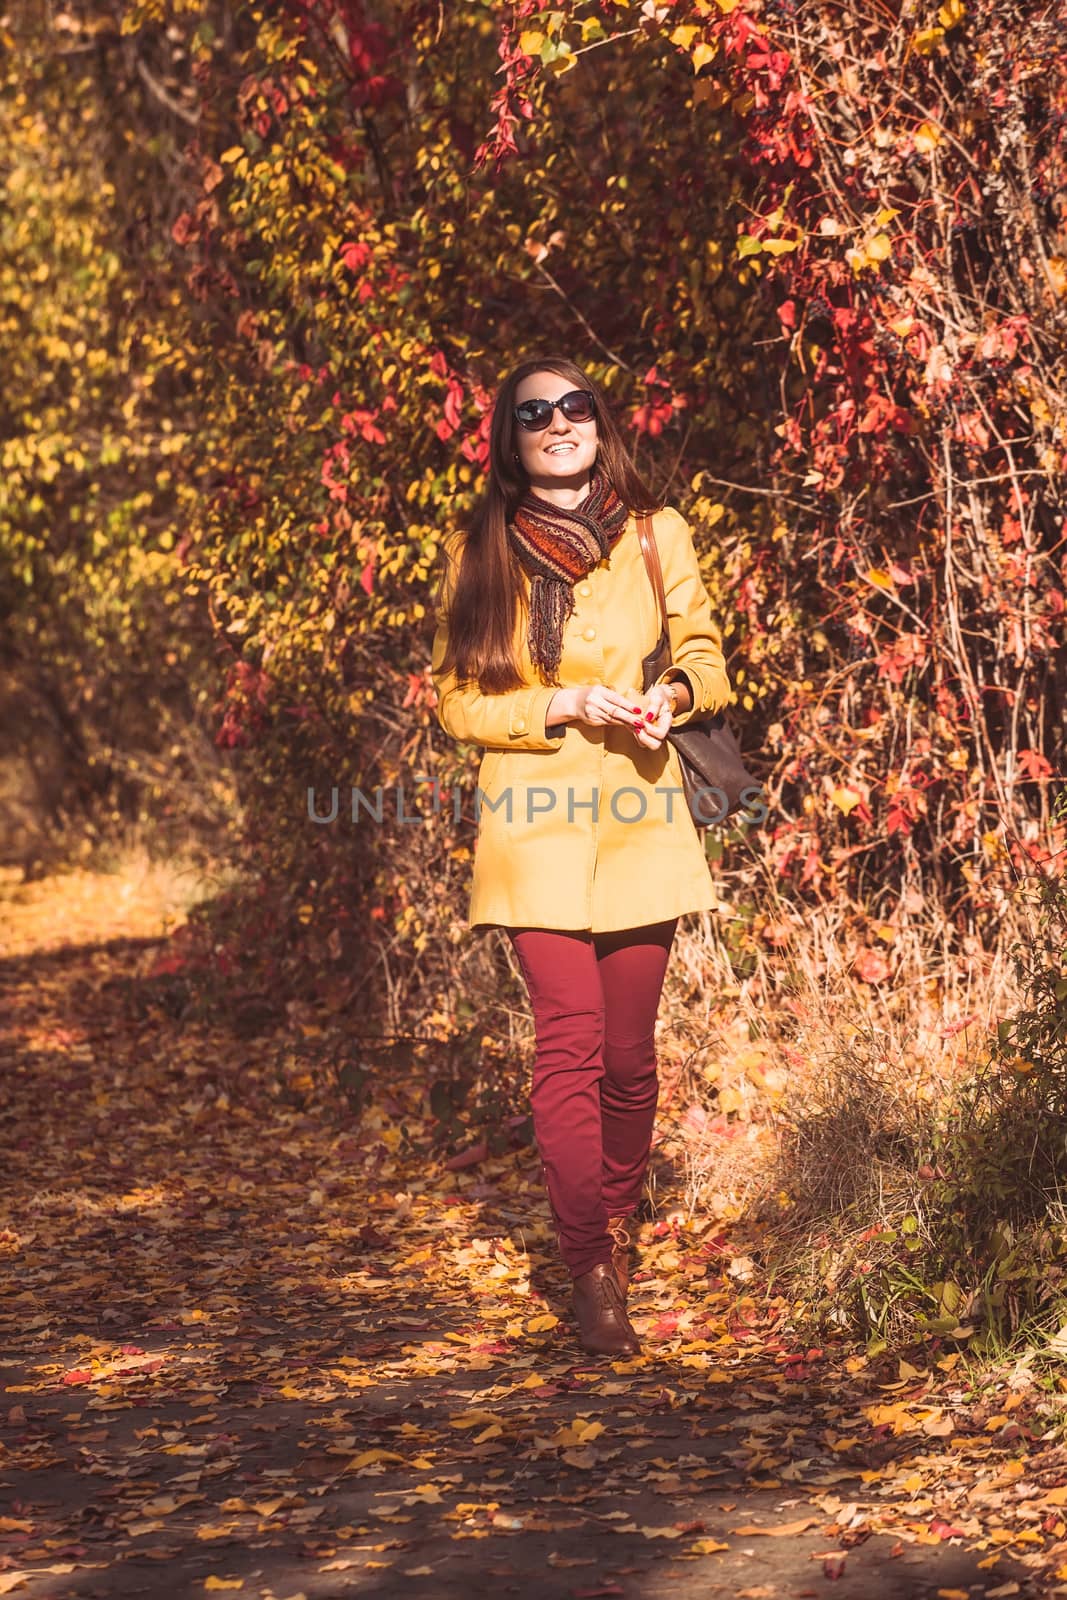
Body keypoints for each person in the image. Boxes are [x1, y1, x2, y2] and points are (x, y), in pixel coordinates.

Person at [429, 355, 732, 1358]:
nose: (558, 423)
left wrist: (672, 699)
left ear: (600, 424)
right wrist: (553, 703)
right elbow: (456, 699)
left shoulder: (657, 533)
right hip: (534, 830)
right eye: (533, 414)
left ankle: (605, 1215)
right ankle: (590, 1262)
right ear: (509, 441)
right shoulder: (479, 548)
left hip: (643, 819)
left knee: (629, 1061)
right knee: (567, 1044)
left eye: (574, 407)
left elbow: (704, 655)